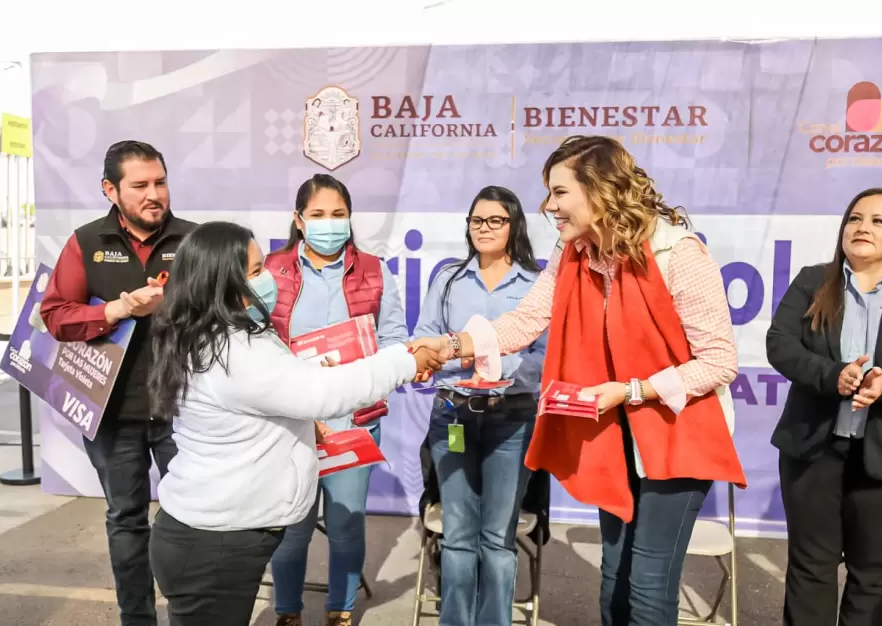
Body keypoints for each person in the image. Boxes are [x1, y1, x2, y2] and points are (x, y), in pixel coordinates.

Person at [411, 135, 746, 626]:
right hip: (614, 435)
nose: (549, 206)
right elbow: (524, 321)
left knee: (650, 590)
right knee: (613, 584)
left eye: (559, 192)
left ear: (601, 189)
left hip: (676, 437)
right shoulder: (574, 253)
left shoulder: (679, 254)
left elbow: (718, 361)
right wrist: (452, 345)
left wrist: (632, 391)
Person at [146, 221, 442, 626]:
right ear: (221, 282)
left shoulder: (209, 333)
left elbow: (275, 393)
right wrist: (406, 361)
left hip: (209, 533)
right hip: (215, 546)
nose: (266, 278)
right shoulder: (233, 350)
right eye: (253, 271)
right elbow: (324, 393)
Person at [39, 140, 195, 626]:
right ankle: (137, 619)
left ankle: (193, 616)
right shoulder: (85, 242)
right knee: (126, 522)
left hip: (185, 413)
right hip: (111, 416)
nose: (155, 194)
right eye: (140, 185)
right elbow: (56, 317)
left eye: (161, 182)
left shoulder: (194, 240)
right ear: (110, 189)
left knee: (195, 523)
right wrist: (118, 309)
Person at [767, 188, 882, 626]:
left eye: (879, 221)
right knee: (810, 570)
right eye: (855, 218)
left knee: (875, 577)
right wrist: (832, 375)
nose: (862, 227)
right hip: (813, 448)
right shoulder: (812, 280)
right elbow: (780, 344)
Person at [264, 174, 408, 626]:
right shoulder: (270, 271)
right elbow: (254, 338)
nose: (330, 224)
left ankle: (339, 610)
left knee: (346, 524)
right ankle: (287, 612)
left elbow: (395, 339)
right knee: (292, 526)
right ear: (299, 220)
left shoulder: (374, 270)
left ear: (350, 218)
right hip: (291, 421)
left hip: (352, 420)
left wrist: (371, 383)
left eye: (339, 215)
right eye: (319, 215)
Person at [412, 185, 547, 626]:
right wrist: (429, 360)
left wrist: (494, 365)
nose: (484, 228)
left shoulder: (536, 284)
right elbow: (426, 334)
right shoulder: (448, 279)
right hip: (454, 414)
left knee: (497, 540)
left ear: (514, 225)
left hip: (513, 419)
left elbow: (546, 356)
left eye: (495, 220)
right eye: (477, 220)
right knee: (457, 537)